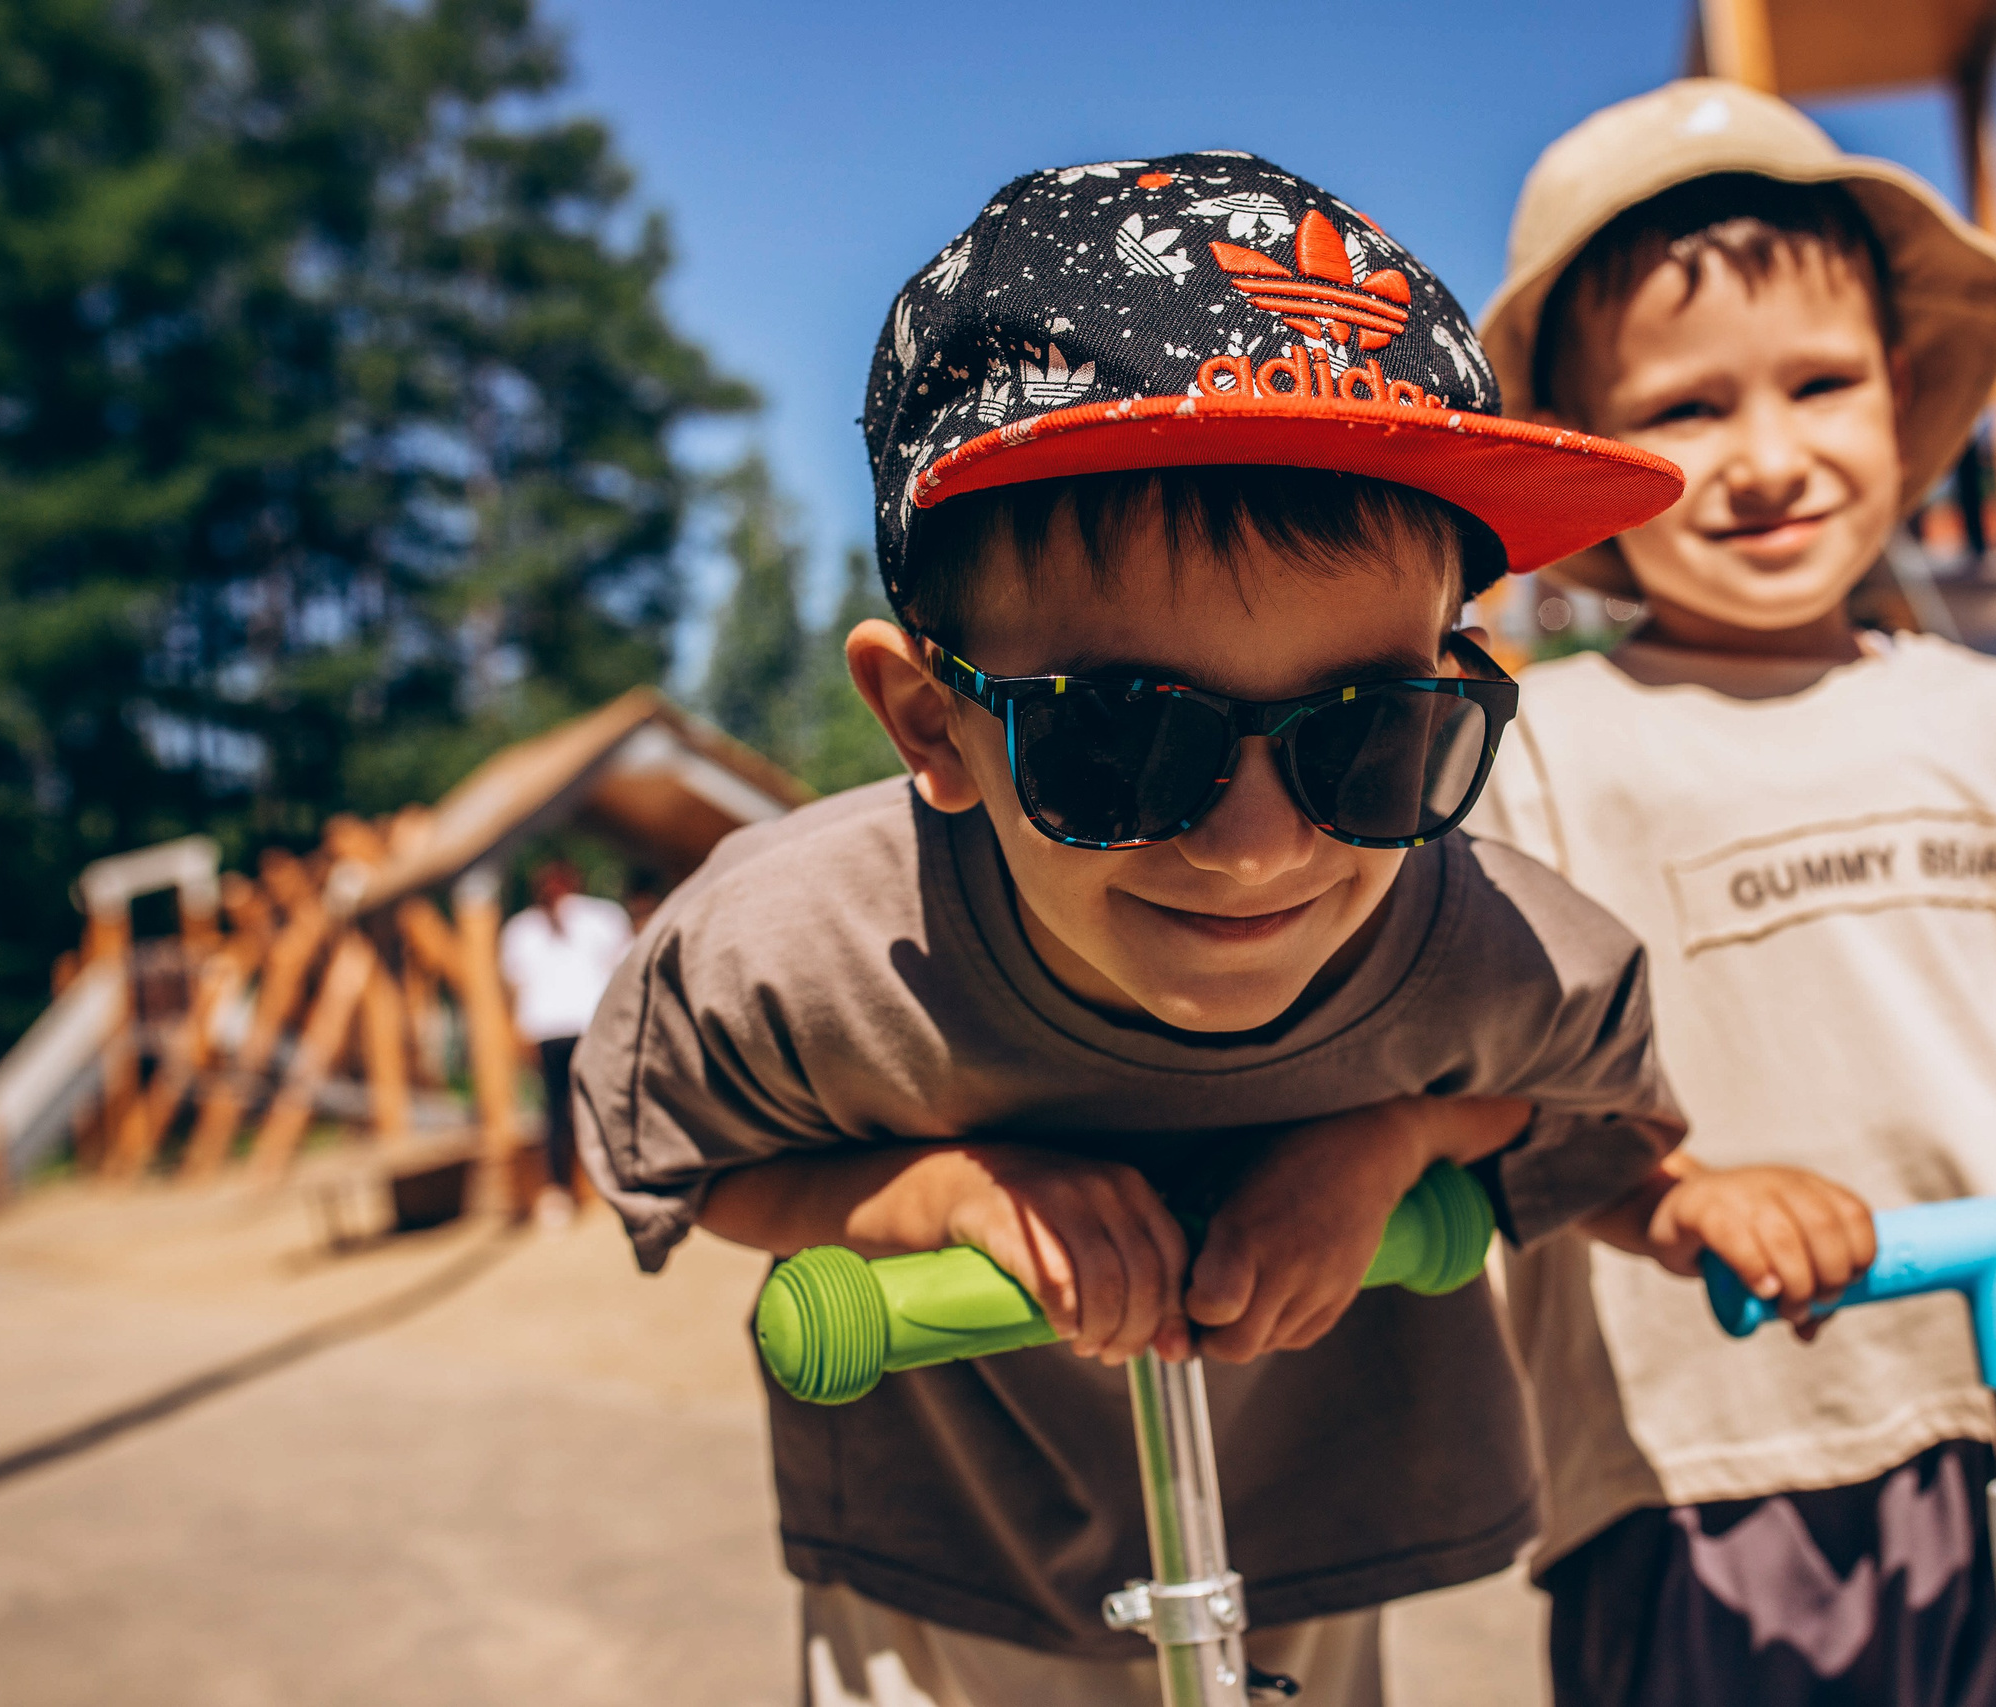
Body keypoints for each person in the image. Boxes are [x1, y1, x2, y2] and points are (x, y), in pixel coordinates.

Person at [573, 152, 1872, 1707]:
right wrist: (926, 1191)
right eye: (1119, 741)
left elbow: (1584, 1118)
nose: (1258, 850)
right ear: (932, 724)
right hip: (951, 1580)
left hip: (1294, 1555)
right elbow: (693, 1157)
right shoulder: (789, 952)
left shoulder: (1496, 943)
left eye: (1371, 735)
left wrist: (1408, 1141)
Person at [1468, 82, 1996, 1707]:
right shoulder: (1554, 751)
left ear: (1902, 389)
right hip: (1712, 1450)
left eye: (1820, 383)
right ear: (1581, 460)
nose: (1769, 459)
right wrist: (1671, 1193)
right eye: (1686, 410)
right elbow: (1494, 1076)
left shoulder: (1987, 712)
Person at [497, 858, 631, 1225]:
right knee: (560, 1112)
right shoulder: (525, 930)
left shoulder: (597, 919)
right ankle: (563, 1189)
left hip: (586, 1027)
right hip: (554, 1031)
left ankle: (609, 1182)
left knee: (597, 1106)